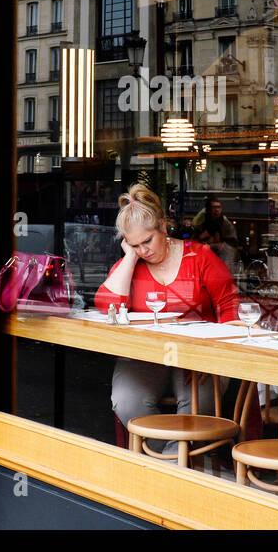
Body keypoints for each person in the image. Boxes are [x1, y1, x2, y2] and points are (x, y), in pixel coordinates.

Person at [96, 184, 239, 436]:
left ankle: (173, 464)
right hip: (144, 354)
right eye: (135, 244)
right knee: (126, 400)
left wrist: (215, 357)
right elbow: (108, 306)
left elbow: (229, 307)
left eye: (148, 240)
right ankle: (166, 460)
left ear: (163, 225)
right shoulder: (132, 263)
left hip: (199, 353)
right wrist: (129, 258)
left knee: (197, 406)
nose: (145, 250)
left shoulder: (200, 256)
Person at [191, 196, 239, 266]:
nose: (217, 210)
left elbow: (232, 243)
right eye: (214, 207)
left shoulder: (225, 223)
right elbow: (192, 242)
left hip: (222, 261)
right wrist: (201, 238)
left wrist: (214, 245)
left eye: (218, 207)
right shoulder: (201, 223)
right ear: (208, 210)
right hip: (204, 260)